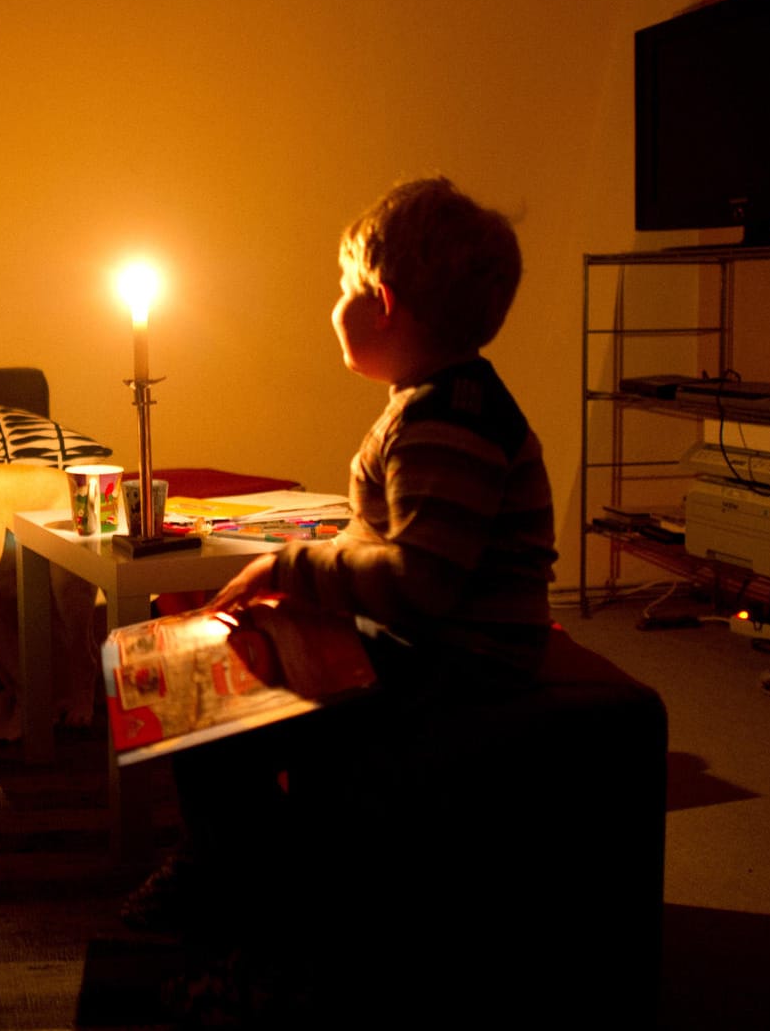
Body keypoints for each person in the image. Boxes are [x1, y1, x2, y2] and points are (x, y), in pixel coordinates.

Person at [122, 176, 558, 1021]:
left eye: (342, 288)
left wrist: (292, 574)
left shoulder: (448, 421)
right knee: (189, 647)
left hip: (456, 663)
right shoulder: (436, 403)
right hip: (422, 641)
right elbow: (391, 552)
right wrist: (304, 575)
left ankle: (256, 915)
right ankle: (227, 868)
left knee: (203, 693)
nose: (334, 306)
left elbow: (421, 583)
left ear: (382, 303)